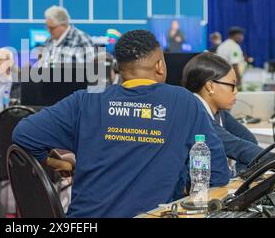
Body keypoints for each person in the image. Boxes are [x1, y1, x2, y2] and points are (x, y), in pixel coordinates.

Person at [13, 30, 230, 218]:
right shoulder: (183, 102)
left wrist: (62, 164)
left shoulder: (86, 100)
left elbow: (23, 134)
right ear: (160, 66)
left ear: (119, 67)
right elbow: (217, 173)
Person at [182, 52, 269, 175]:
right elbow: (236, 147)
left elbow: (248, 140)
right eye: (232, 85)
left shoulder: (219, 112)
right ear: (210, 86)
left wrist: (241, 174)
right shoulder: (193, 112)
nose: (236, 91)